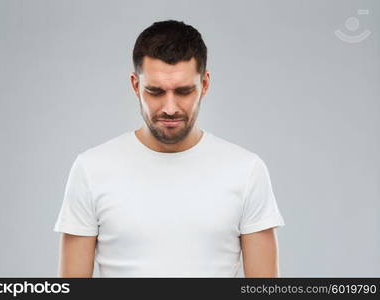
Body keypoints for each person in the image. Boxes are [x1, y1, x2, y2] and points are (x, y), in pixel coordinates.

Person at [53, 20, 285, 277]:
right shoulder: (91, 169)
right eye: (155, 91)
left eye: (184, 91)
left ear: (205, 85)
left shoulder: (246, 170)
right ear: (135, 85)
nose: (170, 108)